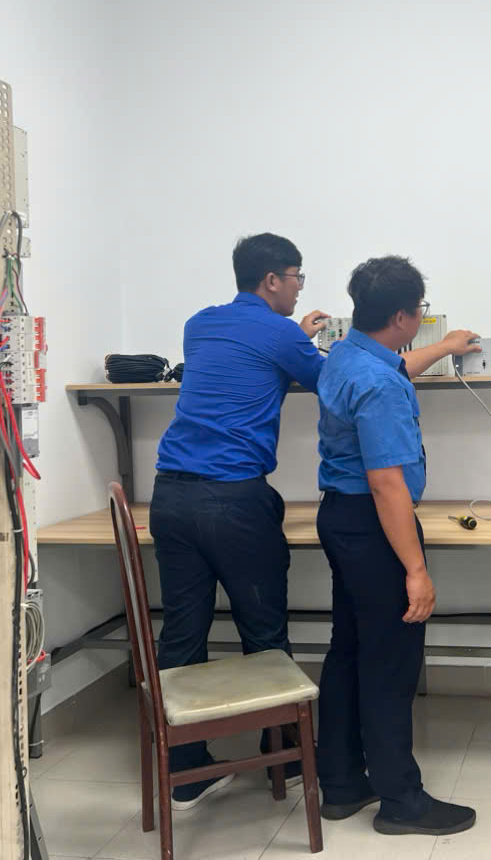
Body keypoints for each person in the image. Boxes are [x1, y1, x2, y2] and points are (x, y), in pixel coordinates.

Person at [149, 232, 329, 810]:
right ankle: (287, 763)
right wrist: (302, 341)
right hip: (232, 502)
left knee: (183, 631)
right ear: (272, 280)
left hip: (170, 497)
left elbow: (244, 355)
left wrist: (295, 336)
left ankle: (185, 772)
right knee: (264, 633)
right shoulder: (280, 334)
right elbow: (329, 382)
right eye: (297, 277)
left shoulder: (199, 324)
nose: (300, 288)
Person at [313, 256, 481, 836]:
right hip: (376, 524)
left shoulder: (345, 355)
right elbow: (387, 483)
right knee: (390, 663)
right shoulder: (380, 383)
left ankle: (341, 785)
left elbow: (398, 363)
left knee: (349, 650)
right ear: (405, 317)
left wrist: (447, 347)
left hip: (340, 517)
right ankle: (401, 801)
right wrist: (415, 569)